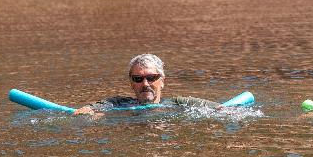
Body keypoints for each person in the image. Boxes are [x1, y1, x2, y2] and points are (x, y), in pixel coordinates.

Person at [74, 54, 219, 115]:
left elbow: (220, 109)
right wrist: (88, 111)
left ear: (162, 81)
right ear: (131, 83)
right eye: (138, 79)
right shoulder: (118, 103)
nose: (145, 84)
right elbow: (92, 108)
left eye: (151, 77)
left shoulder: (179, 103)